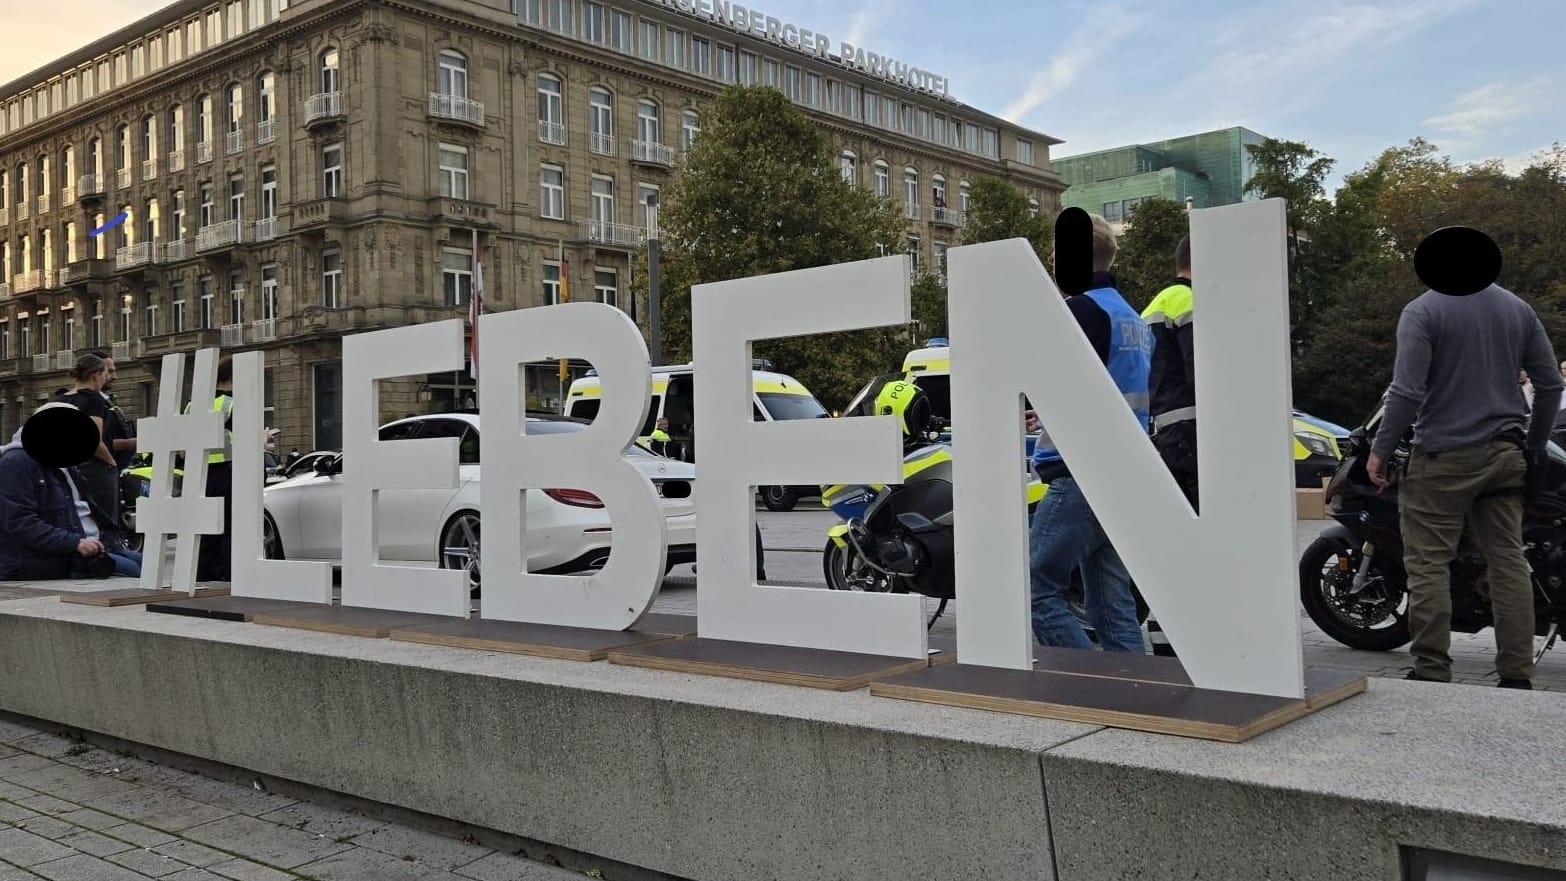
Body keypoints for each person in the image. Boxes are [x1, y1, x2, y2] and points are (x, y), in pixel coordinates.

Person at [1370, 229, 1561, 689]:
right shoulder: (1518, 309)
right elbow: (1550, 384)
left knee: (1428, 563)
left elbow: (1407, 390)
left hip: (1443, 457)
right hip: (1505, 455)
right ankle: (1516, 675)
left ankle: (1433, 670)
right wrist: (1533, 445)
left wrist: (1380, 450)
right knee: (1508, 560)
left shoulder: (1423, 311)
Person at [1028, 213, 1153, 654]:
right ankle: (1134, 689)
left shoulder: (1081, 309)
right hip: (1125, 471)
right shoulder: (1133, 318)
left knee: (1033, 587)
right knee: (1109, 599)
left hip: (1081, 472)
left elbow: (1060, 380)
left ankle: (1087, 678)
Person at [1138, 238, 1197, 658]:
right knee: (1192, 545)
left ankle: (1167, 641)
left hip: (1165, 436)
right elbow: (1203, 372)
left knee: (1175, 546)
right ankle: (1180, 641)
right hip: (1190, 439)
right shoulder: (1187, 301)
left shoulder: (1153, 305)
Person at [0, 417, 142, 580]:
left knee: (149, 562)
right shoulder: (16, 463)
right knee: (134, 570)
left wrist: (105, 539)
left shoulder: (63, 466)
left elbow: (86, 511)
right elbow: (21, 522)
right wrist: (75, 543)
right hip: (42, 559)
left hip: (84, 546)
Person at [184, 357, 237, 582]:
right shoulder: (232, 404)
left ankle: (203, 572)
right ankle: (227, 573)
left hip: (198, 472)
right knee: (228, 524)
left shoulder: (192, 404)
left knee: (204, 524)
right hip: (226, 470)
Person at [54, 354, 121, 525]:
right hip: (93, 469)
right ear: (96, 375)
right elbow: (93, 441)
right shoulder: (93, 399)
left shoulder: (61, 399)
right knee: (104, 520)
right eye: (105, 373)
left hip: (66, 468)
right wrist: (111, 463)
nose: (107, 378)